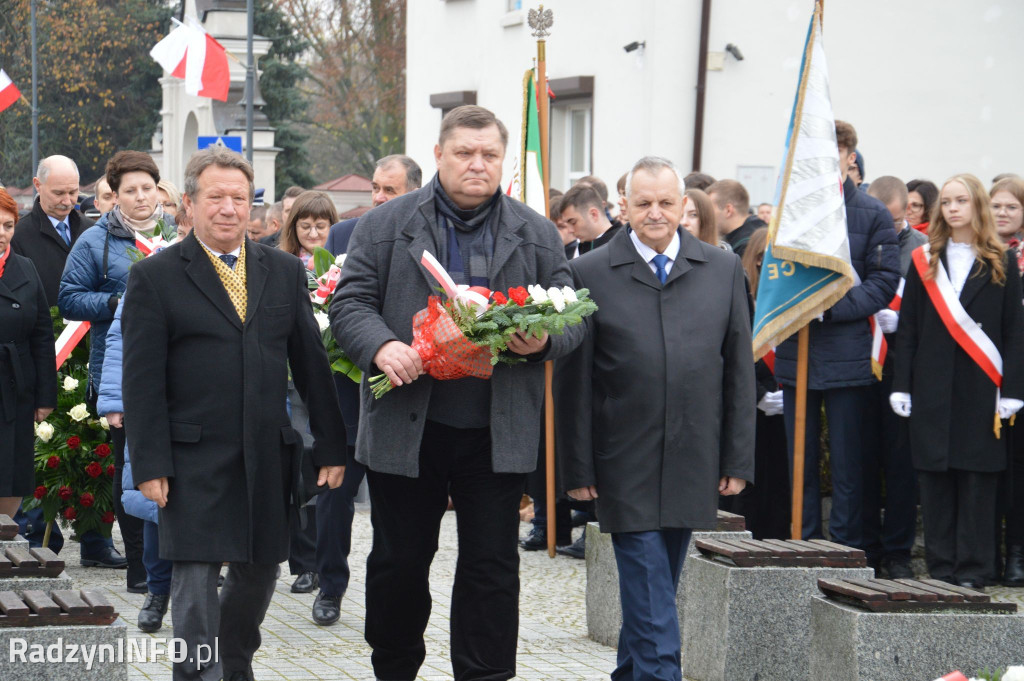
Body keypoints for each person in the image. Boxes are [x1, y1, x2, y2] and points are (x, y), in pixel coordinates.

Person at [331, 105, 582, 681]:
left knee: (491, 567)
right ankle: (394, 669)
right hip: (408, 424)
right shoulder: (386, 225)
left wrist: (541, 341)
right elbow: (349, 302)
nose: (477, 164)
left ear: (503, 161)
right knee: (399, 562)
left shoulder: (537, 232)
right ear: (439, 155)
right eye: (464, 153)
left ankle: (486, 674)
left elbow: (576, 318)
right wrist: (381, 346)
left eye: (489, 155)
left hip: (496, 432)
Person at [122, 147, 346, 681]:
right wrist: (149, 463)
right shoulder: (155, 278)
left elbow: (311, 365)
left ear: (254, 207)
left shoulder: (284, 272)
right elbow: (142, 381)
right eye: (216, 197)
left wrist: (333, 446)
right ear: (190, 206)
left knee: (259, 571)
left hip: (267, 452)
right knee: (196, 581)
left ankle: (235, 663)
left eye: (239, 198)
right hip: (190, 456)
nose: (228, 208)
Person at [557, 156, 754, 681]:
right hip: (623, 459)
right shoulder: (588, 272)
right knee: (652, 602)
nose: (656, 213)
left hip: (693, 455)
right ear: (623, 206)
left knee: (655, 594)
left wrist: (736, 456)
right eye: (643, 203)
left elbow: (737, 368)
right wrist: (576, 469)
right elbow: (573, 383)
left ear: (684, 204)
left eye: (666, 202)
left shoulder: (722, 268)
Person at [891, 174, 1024, 589]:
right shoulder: (924, 260)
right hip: (932, 388)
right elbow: (909, 328)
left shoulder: (1001, 260)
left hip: (982, 388)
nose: (951, 208)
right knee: (935, 480)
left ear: (976, 205)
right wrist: (902, 384)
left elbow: (1015, 331)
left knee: (977, 481)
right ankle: (941, 569)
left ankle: (974, 570)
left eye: (961, 200)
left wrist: (1014, 392)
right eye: (946, 201)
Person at [774, 120, 900, 550]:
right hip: (798, 354)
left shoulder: (873, 213)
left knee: (848, 465)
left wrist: (828, 309)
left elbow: (883, 280)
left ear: (850, 157)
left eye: (835, 153)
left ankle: (845, 550)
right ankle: (803, 544)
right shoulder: (790, 213)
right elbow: (775, 275)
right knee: (800, 463)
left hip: (847, 354)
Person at [315, 153, 421, 627]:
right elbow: (336, 303)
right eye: (375, 187)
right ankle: (329, 586)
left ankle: (389, 589)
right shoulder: (342, 234)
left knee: (391, 506)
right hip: (346, 385)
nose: (378, 197)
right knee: (335, 493)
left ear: (414, 192)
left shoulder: (423, 234)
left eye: (390, 190)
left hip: (401, 389)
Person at [59, 150, 173, 588]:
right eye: (131, 190)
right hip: (120, 373)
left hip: (178, 372)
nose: (141, 197)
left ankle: (178, 559)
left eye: (148, 188)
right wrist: (114, 304)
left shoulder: (179, 236)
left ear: (158, 190)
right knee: (130, 469)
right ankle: (140, 571)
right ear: (115, 195)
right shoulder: (95, 241)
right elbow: (69, 297)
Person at [861, 176, 928, 577]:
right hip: (864, 366)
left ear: (907, 214)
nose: (888, 228)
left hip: (906, 368)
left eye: (895, 222)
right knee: (864, 461)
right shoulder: (862, 239)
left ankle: (898, 552)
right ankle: (867, 547)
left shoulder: (922, 251)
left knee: (902, 467)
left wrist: (903, 323)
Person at [99, 296, 173, 630]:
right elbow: (119, 338)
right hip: (156, 404)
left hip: (212, 405)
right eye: (183, 236)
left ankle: (201, 589)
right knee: (155, 501)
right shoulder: (150, 274)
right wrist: (115, 399)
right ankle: (157, 592)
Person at [724, 226, 791, 540]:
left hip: (787, 400)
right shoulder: (743, 297)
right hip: (752, 403)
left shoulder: (794, 300)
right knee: (750, 481)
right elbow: (733, 353)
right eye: (765, 259)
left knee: (782, 478)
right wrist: (760, 393)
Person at [0, 188, 57, 519]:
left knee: (12, 469)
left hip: (14, 387)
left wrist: (45, 396)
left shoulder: (25, 268)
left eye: (8, 225)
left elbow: (41, 336)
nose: (2, 234)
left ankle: (6, 538)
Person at [989, 176, 1024, 585]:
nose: (1002, 213)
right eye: (996, 206)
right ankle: (986, 553)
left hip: (1020, 377)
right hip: (982, 374)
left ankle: (1016, 553)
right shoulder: (977, 253)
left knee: (1018, 470)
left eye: (1011, 207)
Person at [11, 155, 95, 307]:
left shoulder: (92, 230)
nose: (67, 201)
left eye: (73, 192)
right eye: (58, 193)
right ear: (38, 185)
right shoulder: (18, 236)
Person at [706, 179, 766, 256]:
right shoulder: (761, 230)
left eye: (710, 209)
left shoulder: (745, 247)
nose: (706, 215)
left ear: (728, 210)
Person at [278, 191, 336, 268]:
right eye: (305, 226)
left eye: (320, 226)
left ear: (332, 226)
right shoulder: (280, 263)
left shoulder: (345, 263)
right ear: (294, 227)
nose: (313, 234)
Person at [559, 183, 621, 255]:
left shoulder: (621, 244)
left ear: (593, 214)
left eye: (573, 222)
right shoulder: (584, 246)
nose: (570, 230)